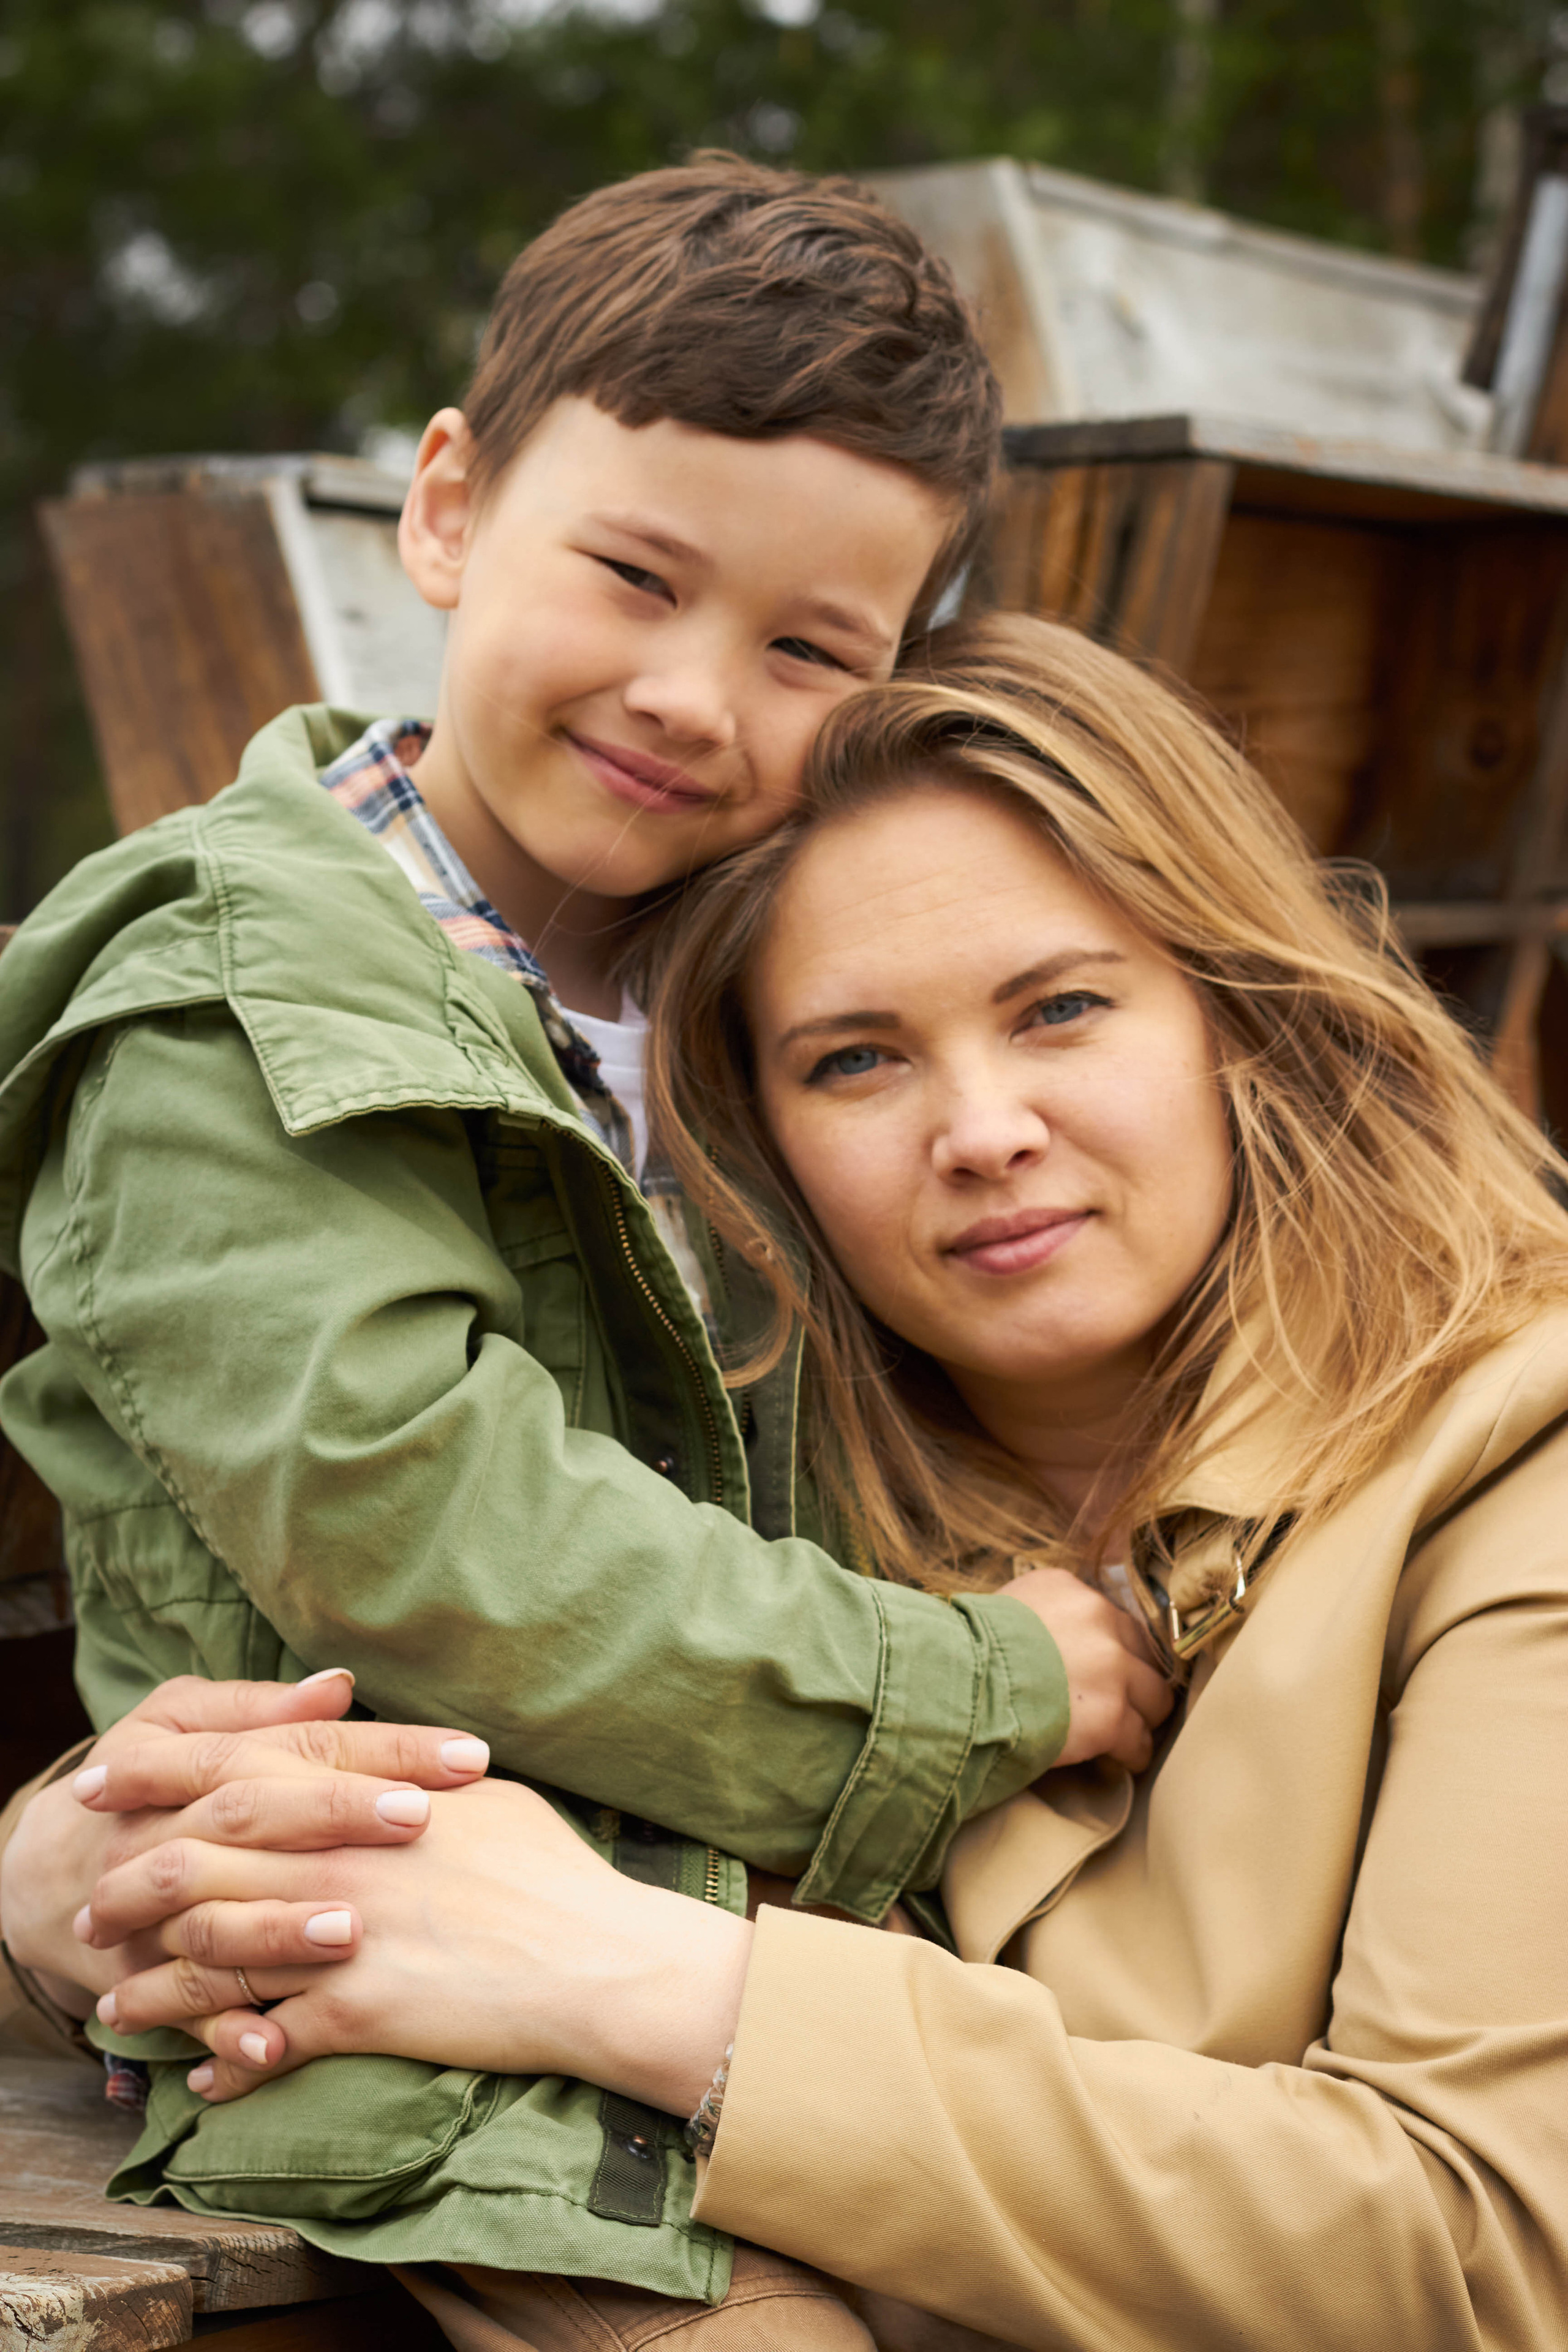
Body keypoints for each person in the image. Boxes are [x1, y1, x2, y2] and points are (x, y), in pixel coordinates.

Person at [25, 609, 1568, 2351]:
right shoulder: (755, 1510)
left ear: (1238, 1013)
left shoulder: (1513, 1460)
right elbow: (418, 1760)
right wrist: (56, 1883)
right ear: (747, 1140)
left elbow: (1484, 2257)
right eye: (857, 1057)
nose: (981, 1128)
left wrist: (647, 1986)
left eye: (1060, 1009)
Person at [0, 159, 1166, 2316]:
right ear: (446, 510)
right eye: (633, 576)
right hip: (408, 2029)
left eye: (810, 646)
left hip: (772, 1956)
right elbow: (416, 1539)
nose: (693, 699)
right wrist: (970, 1682)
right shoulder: (230, 1009)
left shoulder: (759, 997)